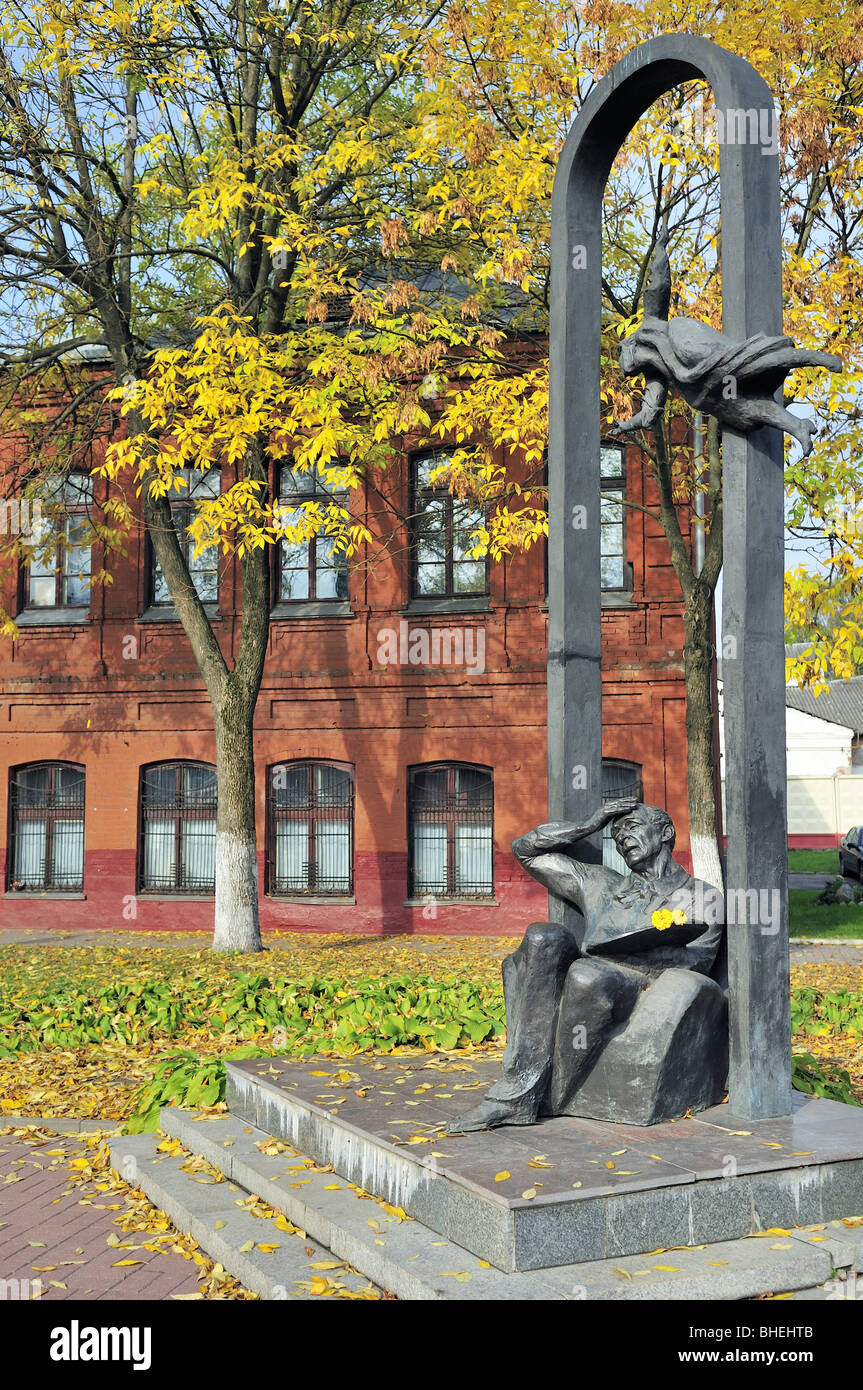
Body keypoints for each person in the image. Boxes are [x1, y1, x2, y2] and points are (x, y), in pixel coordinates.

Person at [446, 798, 723, 1133]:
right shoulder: (601, 883)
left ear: (665, 832)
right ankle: (518, 1089)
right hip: (591, 971)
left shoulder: (701, 895)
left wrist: (643, 950)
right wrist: (589, 823)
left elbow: (700, 960)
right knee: (542, 936)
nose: (622, 839)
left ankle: (540, 1095)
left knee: (585, 974)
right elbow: (526, 851)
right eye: (617, 836)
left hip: (643, 982)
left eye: (631, 828)